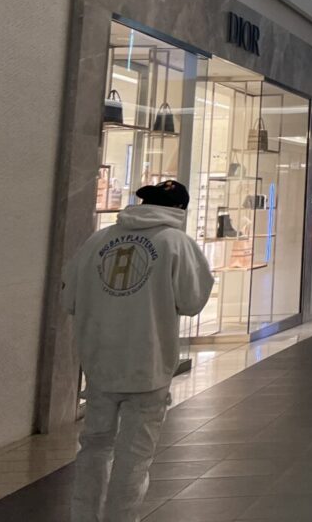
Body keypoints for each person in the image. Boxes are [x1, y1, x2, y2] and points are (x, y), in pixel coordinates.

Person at [62, 179, 213, 522]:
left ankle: (82, 516)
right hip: (148, 362)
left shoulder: (97, 240)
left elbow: (68, 297)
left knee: (94, 446)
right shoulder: (175, 242)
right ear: (179, 209)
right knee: (135, 454)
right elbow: (192, 301)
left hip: (100, 363)